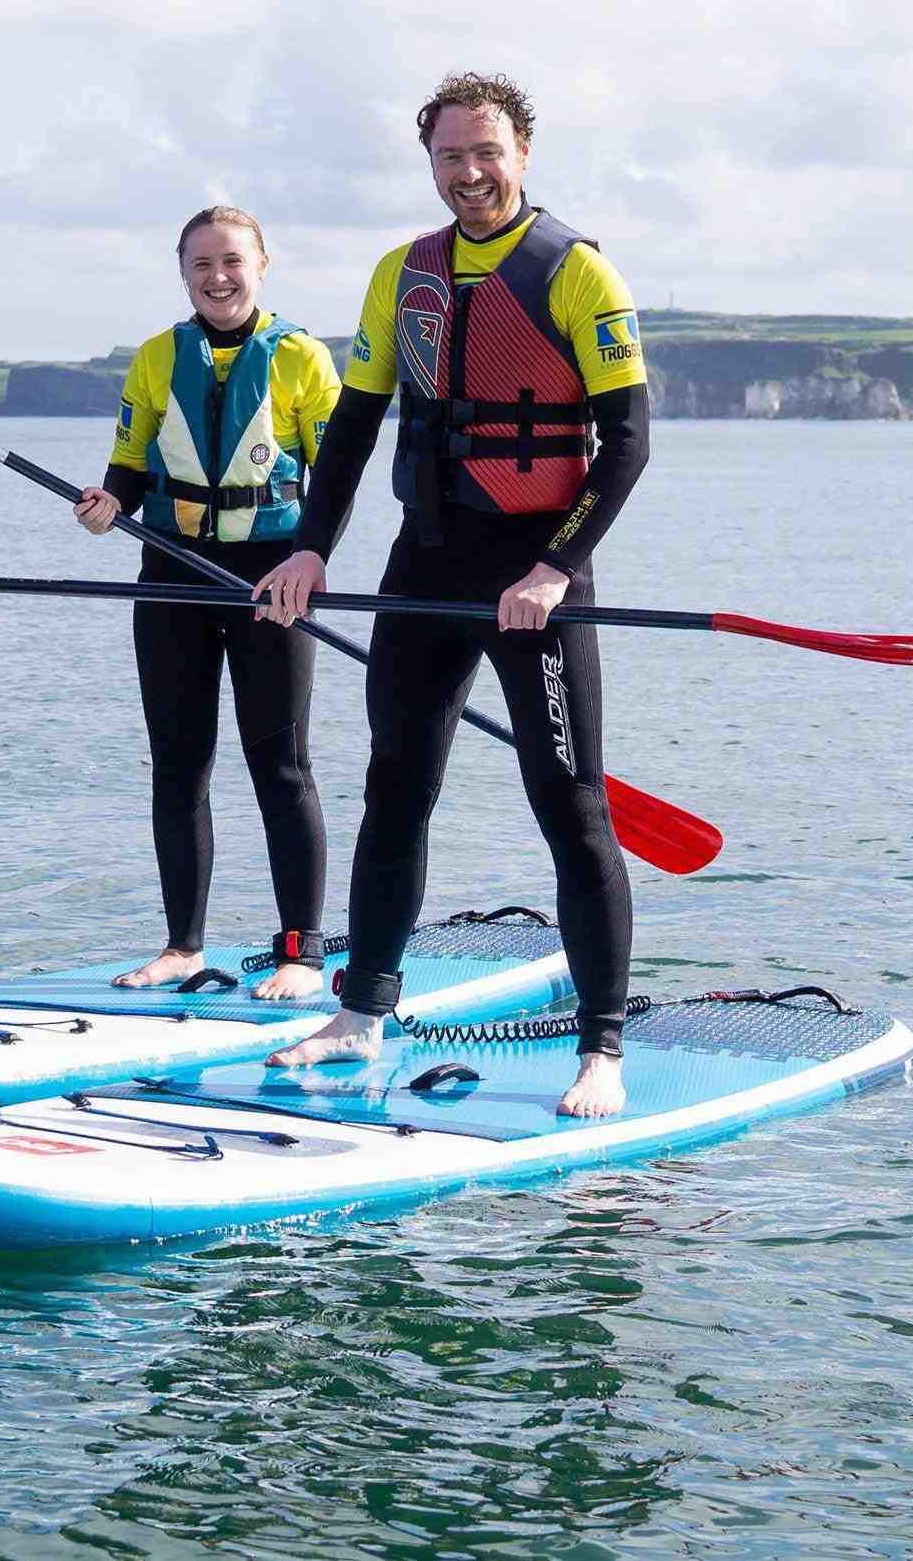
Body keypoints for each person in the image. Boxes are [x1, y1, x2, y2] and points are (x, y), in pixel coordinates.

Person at [252, 72, 652, 1116]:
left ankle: (600, 1048)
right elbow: (350, 430)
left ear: (522, 152)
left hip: (536, 568)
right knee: (396, 781)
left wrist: (555, 569)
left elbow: (629, 442)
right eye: (448, 157)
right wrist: (309, 552)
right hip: (425, 559)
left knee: (568, 803)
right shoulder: (403, 274)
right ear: (428, 161)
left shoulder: (576, 274)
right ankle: (360, 1012)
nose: (468, 175)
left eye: (486, 154)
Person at [74, 205, 340, 1001]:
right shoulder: (157, 358)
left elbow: (335, 478)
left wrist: (308, 559)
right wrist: (106, 502)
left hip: (272, 579)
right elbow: (128, 461)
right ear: (182, 271)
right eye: (201, 265)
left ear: (262, 264)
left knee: (280, 767)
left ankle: (299, 952)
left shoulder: (301, 359)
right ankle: (180, 947)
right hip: (171, 572)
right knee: (177, 765)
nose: (218, 277)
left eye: (232, 261)